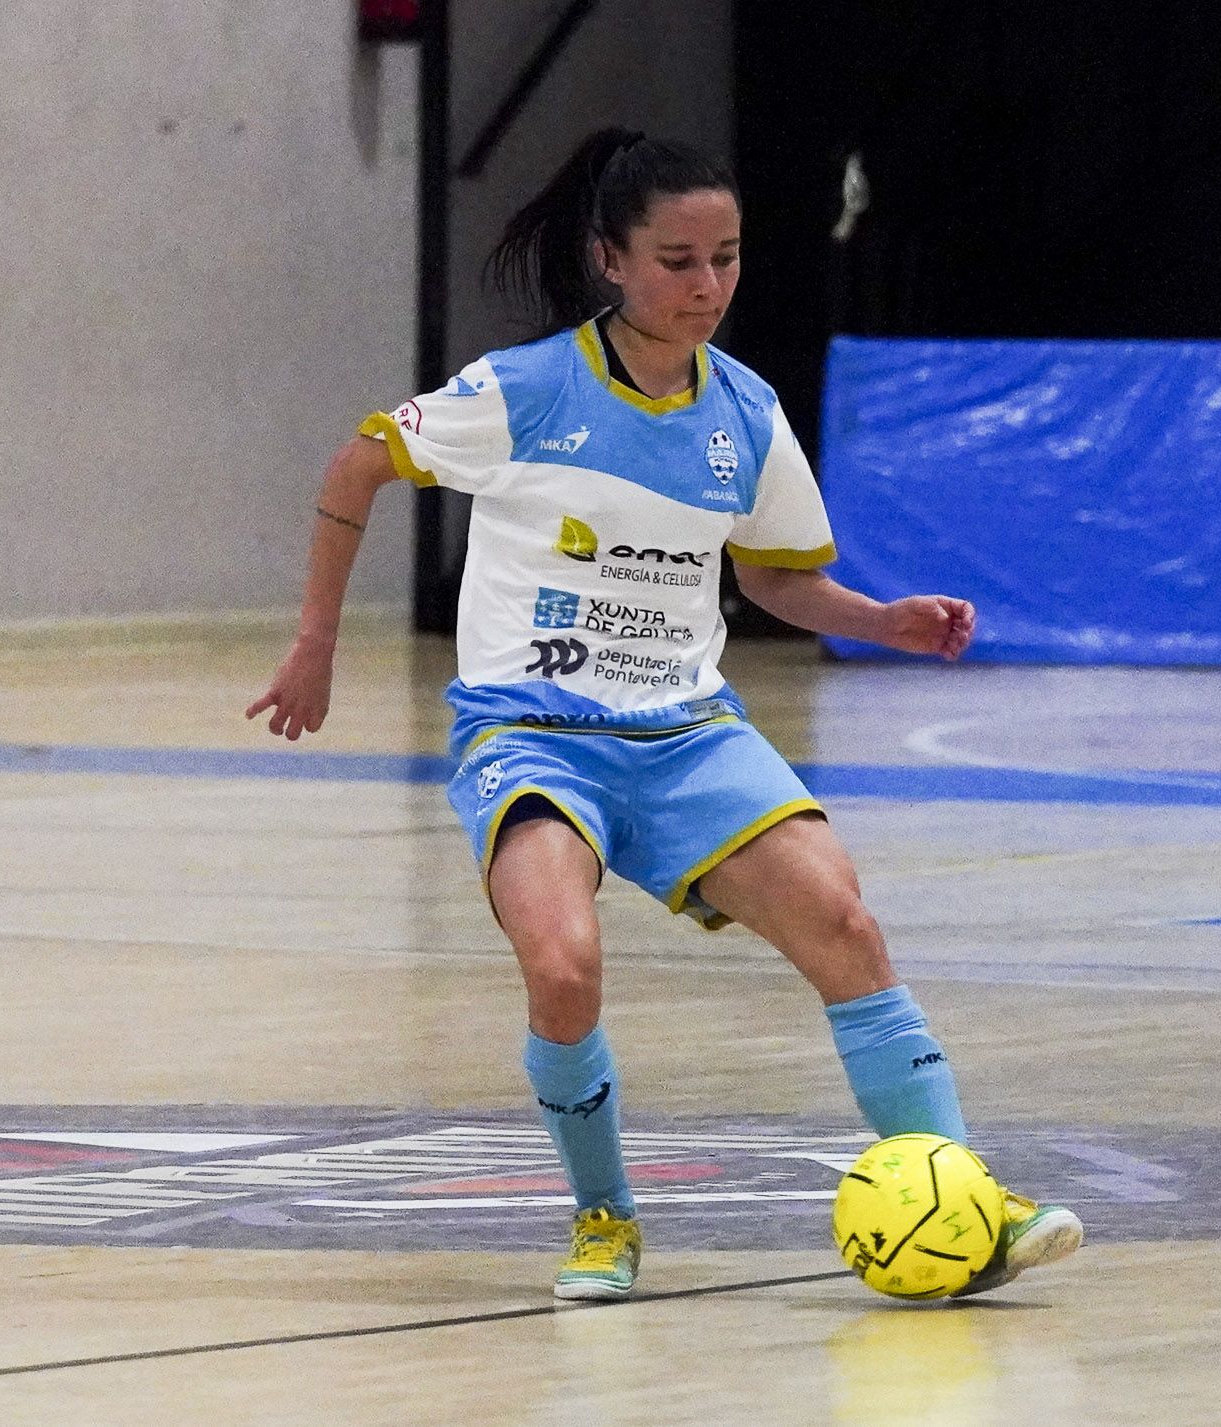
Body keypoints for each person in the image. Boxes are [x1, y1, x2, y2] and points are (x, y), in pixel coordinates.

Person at [247, 128, 1081, 1300]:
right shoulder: (526, 390)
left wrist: (880, 619)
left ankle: (962, 1188)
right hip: (531, 729)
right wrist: (315, 645)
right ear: (610, 260)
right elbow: (353, 468)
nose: (706, 286)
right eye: (677, 260)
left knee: (843, 923)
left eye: (726, 258)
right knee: (563, 965)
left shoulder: (744, 412)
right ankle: (602, 1218)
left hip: (685, 734)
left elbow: (775, 576)